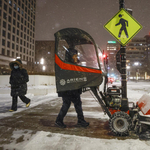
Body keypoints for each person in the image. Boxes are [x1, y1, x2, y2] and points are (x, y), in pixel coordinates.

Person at [55, 45, 89, 128]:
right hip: (68, 90)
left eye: (76, 56)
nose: (76, 57)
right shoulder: (67, 65)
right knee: (67, 105)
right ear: (70, 56)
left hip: (73, 89)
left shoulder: (74, 64)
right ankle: (59, 120)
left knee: (76, 104)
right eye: (74, 56)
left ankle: (79, 120)